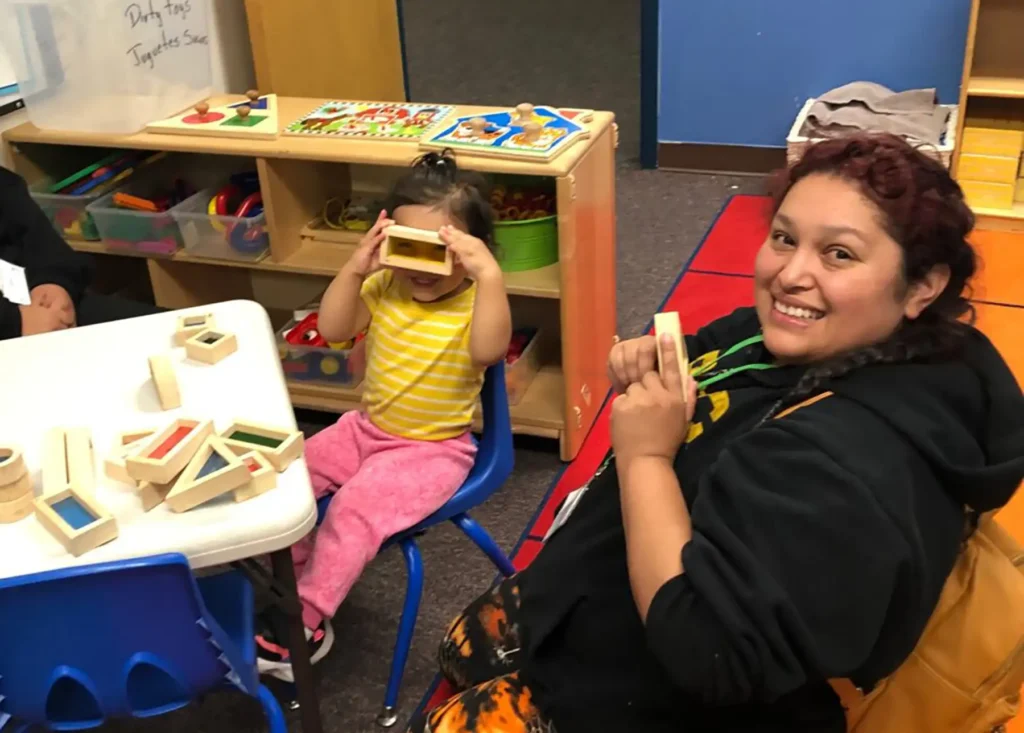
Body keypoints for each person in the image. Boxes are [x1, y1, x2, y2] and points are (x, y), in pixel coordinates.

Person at [410, 134, 1024, 733]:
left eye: (839, 254)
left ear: (922, 285)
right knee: (456, 649)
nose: (791, 276)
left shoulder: (837, 466)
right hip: (594, 592)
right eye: (784, 238)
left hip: (647, 691)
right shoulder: (839, 339)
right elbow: (723, 343)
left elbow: (708, 657)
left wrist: (646, 457)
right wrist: (657, 356)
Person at [256, 150, 513, 682]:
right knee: (287, 481)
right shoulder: (384, 285)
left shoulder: (474, 303)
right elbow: (332, 329)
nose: (418, 269)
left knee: (352, 510)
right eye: (406, 248)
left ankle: (307, 619)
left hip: (435, 450)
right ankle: (292, 580)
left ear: (471, 253)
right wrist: (357, 266)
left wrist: (489, 277)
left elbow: (489, 351)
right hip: (364, 430)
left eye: (437, 252)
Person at [0, 165, 163, 339]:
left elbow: (37, 237)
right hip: (13, 325)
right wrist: (16, 323)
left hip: (37, 302)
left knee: (169, 333)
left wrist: (53, 283)